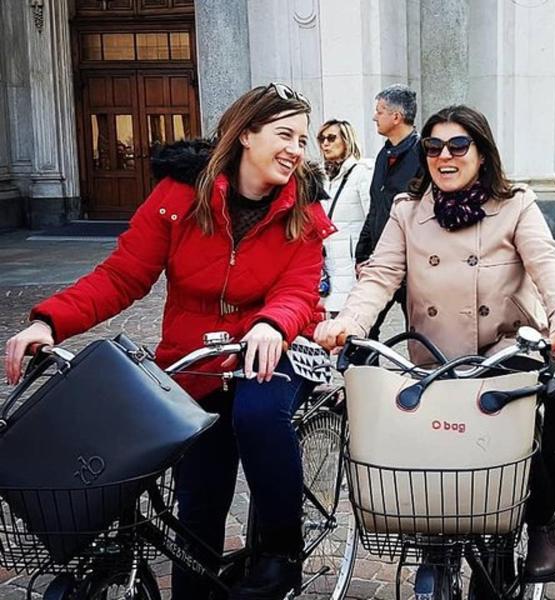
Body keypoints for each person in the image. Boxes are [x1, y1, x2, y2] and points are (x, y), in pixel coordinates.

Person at [5, 84, 335, 600]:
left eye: (302, 139)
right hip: (196, 358)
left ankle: (281, 554)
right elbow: (123, 275)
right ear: (245, 135)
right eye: (284, 135)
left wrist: (272, 324)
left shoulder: (302, 210)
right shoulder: (180, 197)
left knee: (257, 413)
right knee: (198, 499)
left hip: (274, 346)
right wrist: (50, 321)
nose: (296, 149)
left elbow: (298, 289)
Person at [314, 105, 555, 583]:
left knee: (520, 440)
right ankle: (435, 539)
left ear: (481, 153)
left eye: (458, 145)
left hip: (503, 350)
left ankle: (541, 521)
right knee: (431, 451)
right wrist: (350, 322)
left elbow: (548, 265)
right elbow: (381, 274)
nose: (445, 156)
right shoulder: (408, 211)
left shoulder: (515, 205)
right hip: (435, 355)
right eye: (434, 146)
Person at [355, 84, 421, 340]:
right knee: (362, 330)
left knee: (419, 333)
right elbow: (376, 207)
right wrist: (362, 253)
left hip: (414, 265)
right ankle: (365, 367)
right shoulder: (384, 155)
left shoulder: (423, 155)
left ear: (396, 117)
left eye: (379, 111)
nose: (374, 117)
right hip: (381, 261)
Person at [317, 119, 373, 315]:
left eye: (331, 138)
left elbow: (373, 217)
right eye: (322, 139)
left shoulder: (362, 172)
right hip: (329, 265)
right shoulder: (322, 177)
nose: (325, 143)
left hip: (353, 266)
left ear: (347, 140)